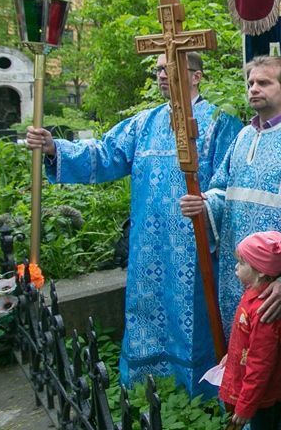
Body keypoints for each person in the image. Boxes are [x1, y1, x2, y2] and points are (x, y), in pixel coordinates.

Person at [25, 53, 243, 397]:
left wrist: (208, 204)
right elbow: (104, 154)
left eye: (169, 68)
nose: (161, 75)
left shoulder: (220, 122)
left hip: (195, 244)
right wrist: (54, 148)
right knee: (147, 308)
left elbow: (231, 181)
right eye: (158, 69)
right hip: (148, 245)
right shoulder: (144, 123)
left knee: (195, 315)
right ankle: (149, 383)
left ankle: (199, 388)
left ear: (196, 76)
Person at [180, 55, 281, 332]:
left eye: (264, 83)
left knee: (277, 352)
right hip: (237, 270)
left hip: (278, 281)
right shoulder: (243, 136)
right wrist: (204, 205)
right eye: (250, 83)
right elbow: (221, 189)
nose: (253, 88)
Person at [220, 231, 281, 430]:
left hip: (263, 395)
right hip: (262, 393)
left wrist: (245, 407)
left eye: (242, 263)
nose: (236, 268)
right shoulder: (253, 296)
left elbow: (260, 364)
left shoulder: (264, 311)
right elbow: (246, 340)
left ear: (261, 271)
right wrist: (232, 355)